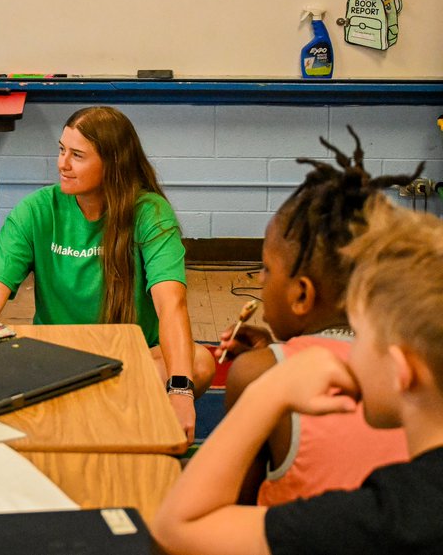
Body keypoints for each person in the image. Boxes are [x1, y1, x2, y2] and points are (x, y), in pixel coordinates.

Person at [153, 198, 443, 555]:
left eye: (361, 335)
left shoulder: (379, 519)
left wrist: (268, 391)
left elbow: (176, 529)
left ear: (402, 371)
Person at [0, 106, 215, 442]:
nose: (62, 163)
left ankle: (77, 415)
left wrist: (180, 391)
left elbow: (171, 304)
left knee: (201, 363)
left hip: (133, 358)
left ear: (113, 164)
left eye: (77, 155)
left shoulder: (150, 212)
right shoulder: (36, 210)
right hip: (55, 360)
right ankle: (104, 416)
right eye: (62, 150)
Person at [216, 129, 416, 505]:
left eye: (266, 270)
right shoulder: (416, 364)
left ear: (302, 295)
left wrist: (274, 358)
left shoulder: (257, 374)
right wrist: (280, 348)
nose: (260, 280)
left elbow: (227, 504)